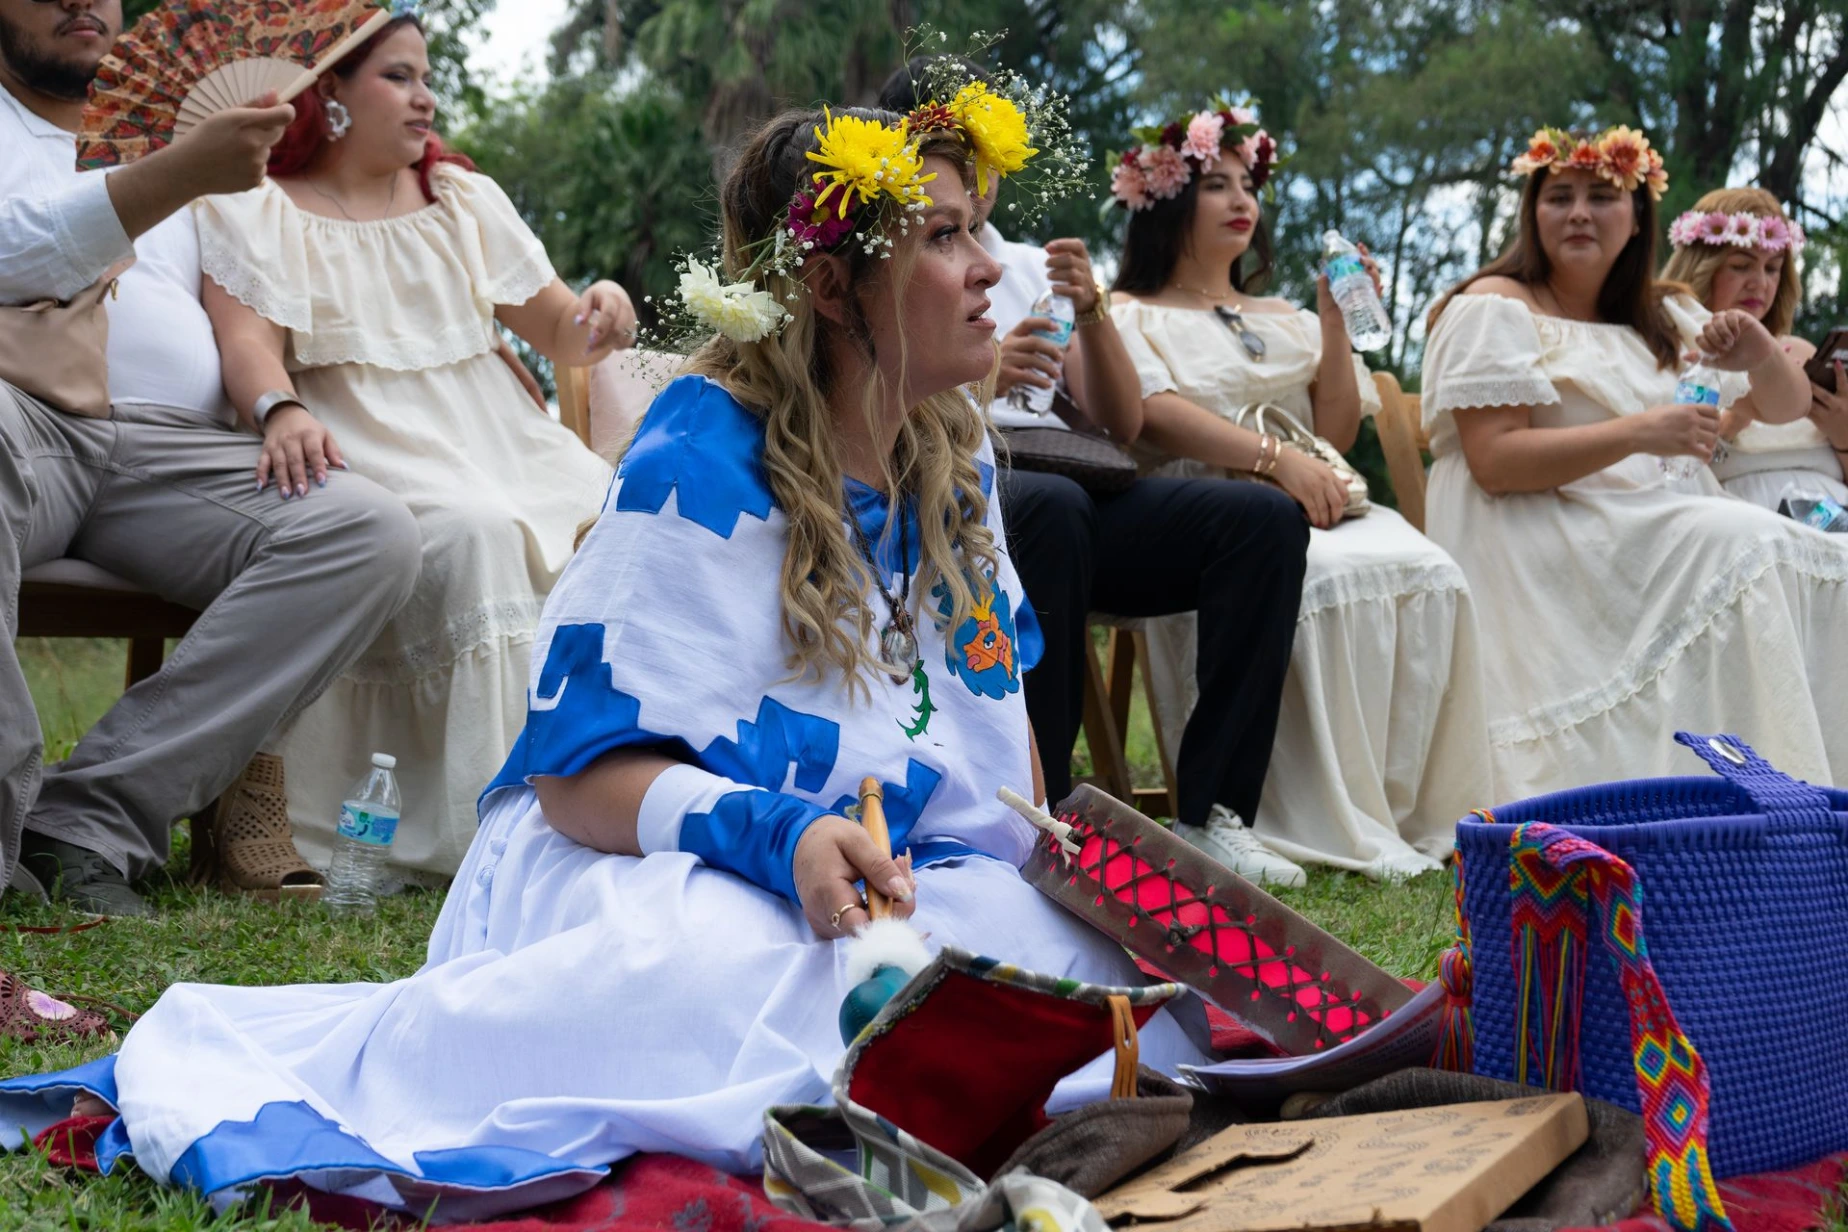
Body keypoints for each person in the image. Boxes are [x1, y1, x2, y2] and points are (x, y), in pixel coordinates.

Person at [0, 104, 1211, 1215]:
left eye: (978, 229)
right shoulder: (699, 454)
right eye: (944, 237)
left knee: (1072, 953)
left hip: (882, 864)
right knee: (726, 967)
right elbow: (578, 778)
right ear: (832, 285)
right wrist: (782, 836)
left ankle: (912, 1077)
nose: (990, 266)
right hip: (642, 848)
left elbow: (988, 723)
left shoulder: (957, 456)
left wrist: (1042, 864)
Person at [0, 0, 421, 920]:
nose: (81, 1)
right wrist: (175, 175)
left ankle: (85, 822)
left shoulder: (188, 140)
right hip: (22, 421)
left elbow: (241, 312)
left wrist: (274, 404)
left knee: (368, 531)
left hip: (171, 452)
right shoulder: (165, 157)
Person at [193, 15, 633, 880]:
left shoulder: (461, 200)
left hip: (498, 437)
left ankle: (619, 792)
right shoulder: (257, 208)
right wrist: (279, 409)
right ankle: (497, 823)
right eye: (398, 77)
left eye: (427, 78)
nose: (425, 97)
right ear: (330, 93)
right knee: (479, 532)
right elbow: (246, 343)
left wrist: (603, 306)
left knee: (613, 515)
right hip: (367, 443)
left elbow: (560, 327)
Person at [877, 61, 1310, 886]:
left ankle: (1212, 813)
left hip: (1068, 490)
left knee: (1259, 523)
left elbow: (1123, 423)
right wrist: (984, 377)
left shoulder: (1027, 266)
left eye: (986, 154)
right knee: (1053, 509)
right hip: (952, 491)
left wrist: (1096, 312)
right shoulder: (889, 260)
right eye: (957, 152)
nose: (978, 172)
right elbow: (876, 401)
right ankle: (1045, 812)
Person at [1108, 104, 1489, 882]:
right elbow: (1151, 415)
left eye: (1248, 185)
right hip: (1207, 513)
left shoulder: (1283, 315)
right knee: (1317, 575)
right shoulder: (1128, 314)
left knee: (1431, 571)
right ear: (1165, 200)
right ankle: (1278, 812)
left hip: (1322, 497)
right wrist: (1273, 461)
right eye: (1216, 184)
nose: (1241, 200)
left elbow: (1337, 430)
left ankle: (1400, 809)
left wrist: (1333, 323)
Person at [1421, 125, 1847, 801]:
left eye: (1602, 197)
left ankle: (1811, 802)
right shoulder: (1493, 307)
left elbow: (1788, 404)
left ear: (1638, 216)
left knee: (1824, 554)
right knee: (1752, 543)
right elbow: (1494, 462)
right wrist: (1641, 432)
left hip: (1653, 524)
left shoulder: (1666, 313)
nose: (1579, 213)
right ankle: (1755, 797)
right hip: (1543, 531)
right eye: (1559, 197)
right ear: (1533, 213)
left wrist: (1760, 352)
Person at [1660, 188, 1848, 507]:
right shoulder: (1670, 353)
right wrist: (1729, 427)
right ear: (1701, 266)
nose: (1759, 283)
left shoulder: (1802, 353)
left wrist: (1843, 436)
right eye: (1741, 266)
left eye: (1772, 268)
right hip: (1738, 519)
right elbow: (1663, 477)